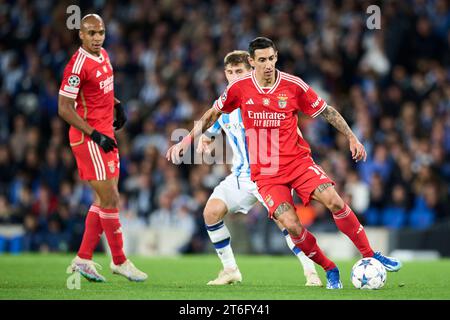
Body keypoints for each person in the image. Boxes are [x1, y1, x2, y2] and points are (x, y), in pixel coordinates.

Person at [167, 37, 402, 289]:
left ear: (276, 56)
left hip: (298, 163)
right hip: (265, 173)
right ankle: (328, 268)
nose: (268, 65)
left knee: (334, 200)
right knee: (291, 225)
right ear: (252, 61)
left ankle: (369, 253)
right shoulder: (239, 89)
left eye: (271, 58)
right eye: (262, 60)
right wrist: (186, 141)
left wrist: (352, 137)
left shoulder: (293, 85)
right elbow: (213, 115)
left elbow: (327, 111)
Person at [196, 50, 321, 286]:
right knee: (210, 212)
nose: (234, 77)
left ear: (251, 71)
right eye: (230, 72)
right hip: (241, 176)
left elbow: (290, 128)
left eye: (239, 72)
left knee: (287, 223)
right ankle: (230, 270)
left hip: (270, 175)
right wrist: (205, 138)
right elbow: (212, 127)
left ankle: (310, 271)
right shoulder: (224, 105)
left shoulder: (262, 102)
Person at [59, 14, 147, 282]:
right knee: (111, 199)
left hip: (106, 133)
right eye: (92, 33)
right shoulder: (77, 66)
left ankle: (83, 259)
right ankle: (119, 261)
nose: (97, 38)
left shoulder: (104, 55)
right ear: (81, 35)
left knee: (104, 200)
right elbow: (64, 108)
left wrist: (116, 103)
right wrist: (94, 134)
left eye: (101, 32)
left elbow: (99, 91)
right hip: (89, 138)